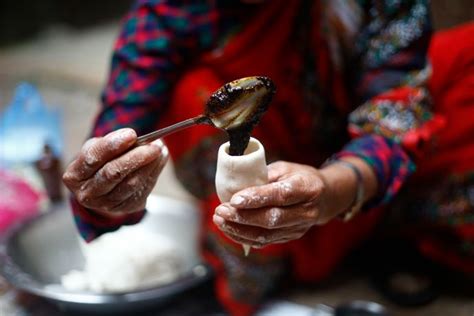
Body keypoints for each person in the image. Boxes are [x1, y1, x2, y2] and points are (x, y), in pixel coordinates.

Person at [62, 0, 474, 314]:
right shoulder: (171, 11)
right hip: (272, 169)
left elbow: (395, 115)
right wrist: (105, 188)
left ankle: (364, 226)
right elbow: (117, 132)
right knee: (192, 89)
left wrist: (332, 188)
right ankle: (268, 251)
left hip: (351, 167)